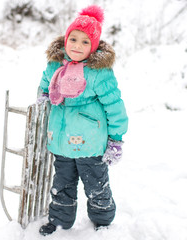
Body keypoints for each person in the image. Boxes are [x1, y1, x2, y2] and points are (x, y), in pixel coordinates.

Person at [37, 5, 128, 236]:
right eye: (74, 39)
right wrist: (44, 95)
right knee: (62, 185)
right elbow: (45, 85)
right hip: (61, 142)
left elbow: (115, 106)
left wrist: (116, 138)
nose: (77, 46)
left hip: (91, 144)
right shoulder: (55, 66)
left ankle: (103, 222)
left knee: (96, 186)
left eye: (85, 42)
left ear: (94, 46)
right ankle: (59, 222)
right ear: (66, 39)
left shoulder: (99, 73)